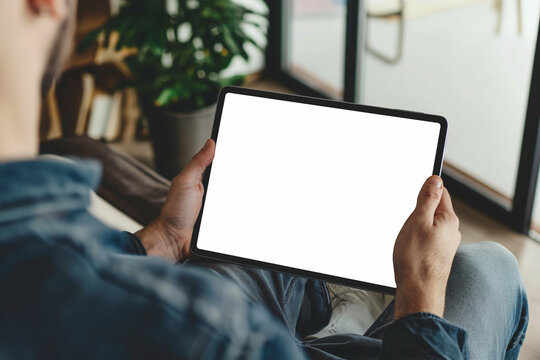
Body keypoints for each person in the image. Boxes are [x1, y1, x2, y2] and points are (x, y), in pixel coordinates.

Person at [0, 0, 528, 359]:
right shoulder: (211, 331)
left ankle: (326, 309)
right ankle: (346, 327)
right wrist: (420, 295)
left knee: (245, 250)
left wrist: (162, 238)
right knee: (490, 267)